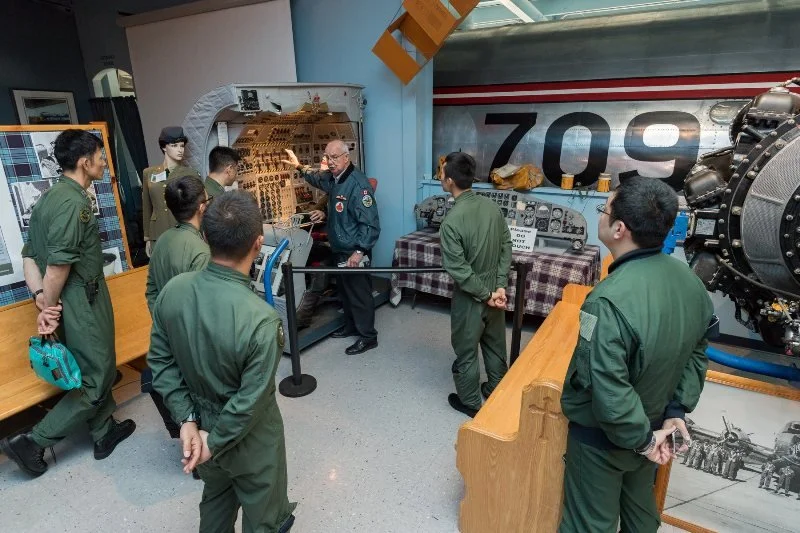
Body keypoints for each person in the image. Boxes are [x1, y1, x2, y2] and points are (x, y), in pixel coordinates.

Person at [559, 176, 714, 533]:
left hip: (604, 440)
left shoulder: (606, 300)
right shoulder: (690, 281)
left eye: (604, 210)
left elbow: (606, 386)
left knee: (589, 523)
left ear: (619, 228)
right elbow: (698, 350)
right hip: (656, 425)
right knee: (640, 515)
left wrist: (641, 440)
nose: (601, 216)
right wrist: (675, 411)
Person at [148, 190, 296, 532]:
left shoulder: (174, 291)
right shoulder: (261, 319)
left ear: (204, 235)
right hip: (249, 438)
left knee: (215, 500)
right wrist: (214, 442)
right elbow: (250, 400)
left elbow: (160, 360)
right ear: (258, 244)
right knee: (265, 514)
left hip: (199, 425)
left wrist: (187, 420)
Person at [0, 130, 135, 477]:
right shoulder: (74, 203)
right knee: (97, 375)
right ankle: (33, 441)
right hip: (80, 299)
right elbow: (59, 264)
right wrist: (49, 307)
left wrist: (40, 297)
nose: (104, 162)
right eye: (100, 156)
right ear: (84, 161)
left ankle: (104, 432)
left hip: (67, 297)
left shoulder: (47, 198)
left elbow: (29, 256)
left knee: (96, 365)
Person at [282, 140, 380, 355]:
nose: (330, 161)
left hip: (353, 250)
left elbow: (371, 224)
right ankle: (351, 326)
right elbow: (317, 177)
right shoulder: (334, 179)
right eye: (328, 157)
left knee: (360, 295)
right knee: (346, 292)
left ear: (347, 157)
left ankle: (368, 337)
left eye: (335, 157)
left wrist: (359, 252)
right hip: (339, 247)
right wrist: (299, 166)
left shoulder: (358, 186)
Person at [437, 152, 512, 417]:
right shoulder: (492, 207)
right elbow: (506, 246)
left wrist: (485, 294)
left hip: (471, 298)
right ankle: (496, 389)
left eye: (442, 174)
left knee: (466, 351)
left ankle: (470, 402)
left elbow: (459, 269)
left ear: (448, 181)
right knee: (494, 345)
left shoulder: (451, 223)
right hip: (496, 291)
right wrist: (499, 287)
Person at [143, 175, 211, 442]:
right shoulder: (201, 252)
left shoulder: (163, 243)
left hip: (170, 336)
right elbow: (205, 308)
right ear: (202, 207)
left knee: (179, 389)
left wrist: (164, 325)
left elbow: (151, 289)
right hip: (194, 341)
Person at [142, 126, 201, 256]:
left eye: (182, 146)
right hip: (157, 232)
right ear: (164, 147)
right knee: (162, 271)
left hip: (182, 229)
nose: (180, 150)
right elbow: (147, 206)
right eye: (174, 145)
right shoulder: (149, 173)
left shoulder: (190, 174)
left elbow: (199, 206)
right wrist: (147, 237)